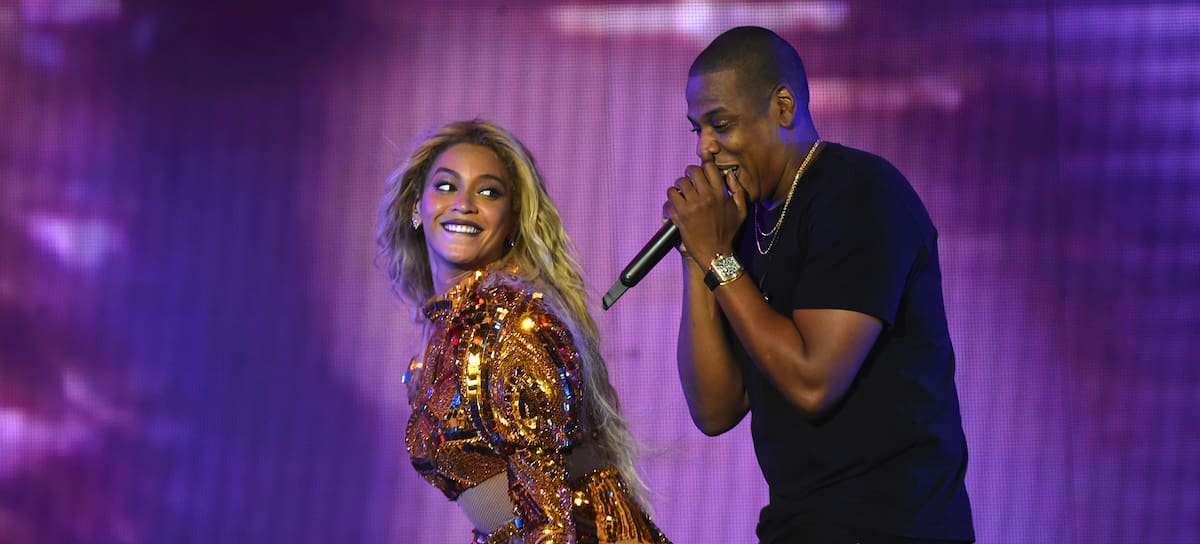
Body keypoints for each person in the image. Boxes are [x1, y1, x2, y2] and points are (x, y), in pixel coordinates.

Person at [664, 27, 974, 543]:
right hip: (801, 525)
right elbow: (716, 409)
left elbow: (814, 382)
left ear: (782, 107)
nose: (705, 148)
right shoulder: (747, 224)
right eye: (697, 129)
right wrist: (698, 260)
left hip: (896, 526)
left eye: (721, 124)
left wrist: (717, 255)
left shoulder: (860, 195)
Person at [378, 120, 670, 544]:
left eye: (488, 192)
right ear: (414, 207)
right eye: (445, 186)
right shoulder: (447, 331)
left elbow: (550, 521)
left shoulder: (513, 328)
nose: (464, 204)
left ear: (513, 219)